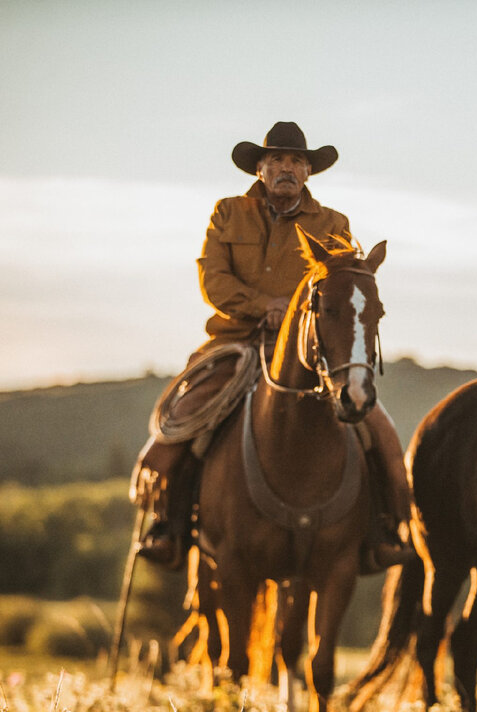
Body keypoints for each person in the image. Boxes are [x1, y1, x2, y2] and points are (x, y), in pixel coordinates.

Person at [133, 121, 410, 572]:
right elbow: (213, 278)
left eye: (297, 161)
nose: (287, 168)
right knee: (177, 428)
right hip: (234, 341)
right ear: (260, 169)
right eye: (277, 160)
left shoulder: (333, 223)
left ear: (308, 172)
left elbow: (339, 286)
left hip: (307, 348)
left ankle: (385, 529)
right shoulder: (227, 212)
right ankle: (170, 526)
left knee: (382, 435)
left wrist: (298, 313)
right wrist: (264, 304)